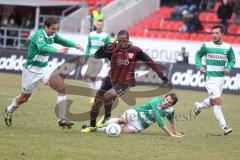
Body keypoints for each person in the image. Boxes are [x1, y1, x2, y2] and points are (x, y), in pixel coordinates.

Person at [81, 30, 169, 133]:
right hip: (110, 78)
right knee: (96, 102)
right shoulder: (112, 49)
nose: (123, 43)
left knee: (108, 96)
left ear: (128, 41)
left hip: (125, 82)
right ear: (117, 40)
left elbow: (150, 62)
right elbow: (97, 55)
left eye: (125, 41)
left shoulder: (135, 51)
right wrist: (105, 46)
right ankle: (92, 126)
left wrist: (161, 75)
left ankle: (107, 117)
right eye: (120, 41)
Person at [4, 17, 84, 128]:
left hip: (45, 69)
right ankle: (9, 109)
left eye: (56, 29)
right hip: (31, 71)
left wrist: (76, 45)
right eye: (53, 29)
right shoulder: (39, 35)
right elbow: (43, 48)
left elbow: (63, 41)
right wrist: (57, 50)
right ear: (45, 27)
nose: (55, 32)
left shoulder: (52, 35)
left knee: (62, 88)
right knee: (24, 98)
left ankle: (62, 119)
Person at [194, 24, 236, 135]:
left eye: (217, 33)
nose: (214, 35)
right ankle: (224, 128)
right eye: (213, 33)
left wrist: (229, 67)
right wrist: (200, 66)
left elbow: (232, 60)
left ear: (222, 34)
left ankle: (199, 106)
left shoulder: (227, 47)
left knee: (213, 101)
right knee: (218, 102)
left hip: (221, 79)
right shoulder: (206, 46)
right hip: (210, 78)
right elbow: (197, 56)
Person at [99, 93, 184, 138]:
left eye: (169, 102)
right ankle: (104, 123)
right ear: (165, 98)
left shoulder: (170, 110)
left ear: (172, 104)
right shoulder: (156, 102)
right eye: (166, 99)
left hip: (140, 126)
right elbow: (159, 120)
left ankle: (99, 129)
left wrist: (175, 132)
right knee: (123, 120)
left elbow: (171, 120)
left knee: (120, 130)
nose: (166, 102)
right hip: (135, 114)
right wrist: (171, 134)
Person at [83, 19, 111, 104]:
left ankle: (95, 96)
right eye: (98, 25)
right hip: (91, 59)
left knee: (98, 78)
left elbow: (109, 49)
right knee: (85, 76)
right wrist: (85, 57)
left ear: (103, 26)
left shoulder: (106, 36)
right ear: (96, 25)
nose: (99, 26)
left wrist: (109, 59)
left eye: (100, 25)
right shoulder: (91, 34)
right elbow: (88, 46)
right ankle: (94, 94)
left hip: (101, 59)